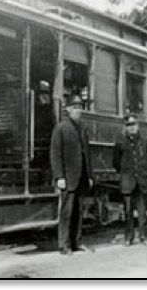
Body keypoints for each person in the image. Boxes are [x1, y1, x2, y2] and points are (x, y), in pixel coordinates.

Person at [50, 95, 93, 255]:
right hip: (68, 178)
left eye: (79, 107)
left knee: (78, 212)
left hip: (81, 177)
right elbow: (55, 154)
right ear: (67, 109)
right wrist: (59, 177)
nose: (77, 110)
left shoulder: (82, 127)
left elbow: (87, 153)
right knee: (66, 212)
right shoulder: (61, 128)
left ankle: (77, 242)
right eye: (74, 107)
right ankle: (64, 246)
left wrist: (89, 176)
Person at [113, 115, 147, 246]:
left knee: (143, 212)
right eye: (129, 126)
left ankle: (144, 236)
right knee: (128, 212)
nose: (131, 128)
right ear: (126, 128)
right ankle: (129, 238)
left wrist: (144, 173)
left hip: (142, 181)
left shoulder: (145, 142)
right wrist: (125, 174)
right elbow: (115, 162)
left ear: (138, 127)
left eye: (133, 125)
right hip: (127, 182)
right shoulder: (120, 143)